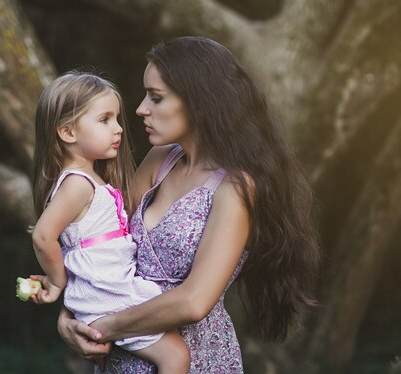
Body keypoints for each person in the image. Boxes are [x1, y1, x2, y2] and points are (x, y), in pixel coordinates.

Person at [57, 37, 320, 373]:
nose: (140, 109)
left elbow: (194, 301)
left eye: (156, 97)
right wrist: (68, 321)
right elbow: (101, 243)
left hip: (195, 359)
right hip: (122, 358)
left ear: (199, 102)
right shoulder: (162, 159)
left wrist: (103, 327)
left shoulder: (234, 188)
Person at [28, 71, 191, 373]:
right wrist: (56, 282)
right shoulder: (78, 184)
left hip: (110, 289)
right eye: (104, 120)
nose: (118, 129)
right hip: (109, 295)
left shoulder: (90, 180)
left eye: (116, 119)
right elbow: (42, 236)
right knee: (175, 356)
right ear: (67, 132)